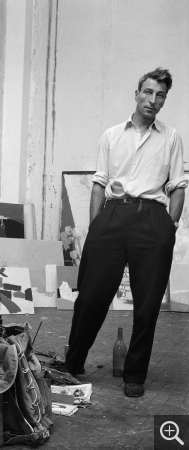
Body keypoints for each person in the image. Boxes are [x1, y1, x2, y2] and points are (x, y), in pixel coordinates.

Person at [65, 67, 188, 397]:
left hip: (152, 219)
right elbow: (98, 184)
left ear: (164, 101)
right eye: (148, 92)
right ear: (137, 94)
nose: (153, 99)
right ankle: (73, 363)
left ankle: (135, 374)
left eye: (160, 95)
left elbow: (178, 186)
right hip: (113, 215)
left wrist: (169, 226)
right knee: (91, 296)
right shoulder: (111, 135)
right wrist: (97, 226)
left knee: (147, 304)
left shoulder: (172, 138)